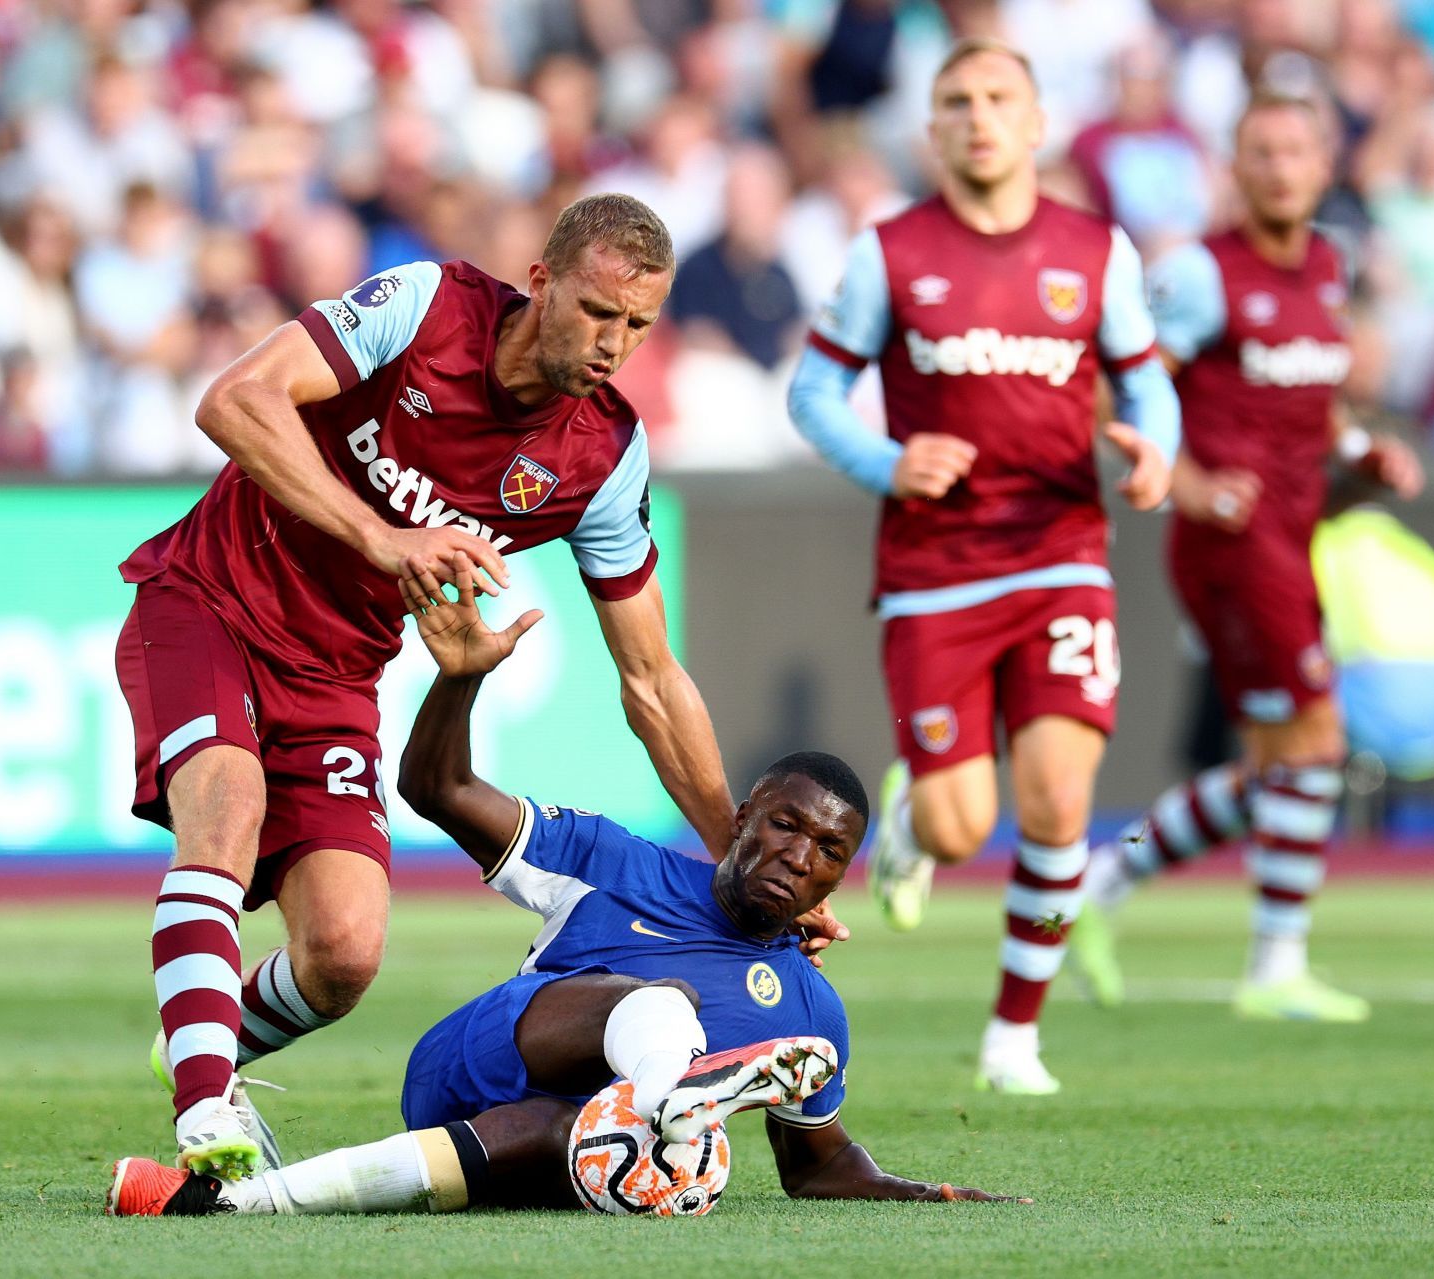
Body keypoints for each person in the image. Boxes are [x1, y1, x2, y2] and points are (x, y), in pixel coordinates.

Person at [116, 193, 792, 1181]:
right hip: (210, 597)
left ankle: (202, 1027)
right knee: (227, 804)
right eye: (597, 313)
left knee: (344, 952)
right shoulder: (427, 309)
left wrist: (736, 854)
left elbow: (651, 677)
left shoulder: (602, 456)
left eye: (637, 326)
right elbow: (233, 399)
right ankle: (203, 1103)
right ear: (542, 282)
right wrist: (382, 538)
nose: (613, 344)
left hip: (339, 669)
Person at [106, 561, 1025, 1216]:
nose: (797, 854)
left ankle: (246, 1203)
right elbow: (439, 789)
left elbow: (817, 1168)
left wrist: (930, 1192)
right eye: (785, 823)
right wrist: (459, 681)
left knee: (577, 1133)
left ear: (840, 876)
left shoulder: (812, 1009)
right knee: (654, 1005)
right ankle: (674, 1085)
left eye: (827, 850)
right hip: (472, 1063)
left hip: (541, 1142)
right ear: (741, 813)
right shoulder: (612, 858)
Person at [786, 38, 1180, 1095]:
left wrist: (1156, 451)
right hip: (935, 573)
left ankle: (1015, 1034)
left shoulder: (1097, 251)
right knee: (964, 826)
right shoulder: (891, 253)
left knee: (1057, 800)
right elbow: (813, 395)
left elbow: (1148, 389)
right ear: (933, 129)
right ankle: (915, 823)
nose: (978, 117)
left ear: (1038, 122)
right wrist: (888, 458)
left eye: (999, 98)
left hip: (1061, 557)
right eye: (956, 101)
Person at [1069, 94, 1425, 1022]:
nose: (1279, 167)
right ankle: (1274, 965)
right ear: (1235, 165)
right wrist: (1182, 480)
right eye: (1261, 151)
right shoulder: (1202, 276)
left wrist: (1362, 455)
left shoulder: (1328, 269)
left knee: (1284, 760)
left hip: (1292, 533)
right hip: (1232, 545)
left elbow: (1312, 407)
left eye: (1296, 150)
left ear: (1323, 166)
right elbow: (1125, 387)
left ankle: (1099, 884)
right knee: (1315, 743)